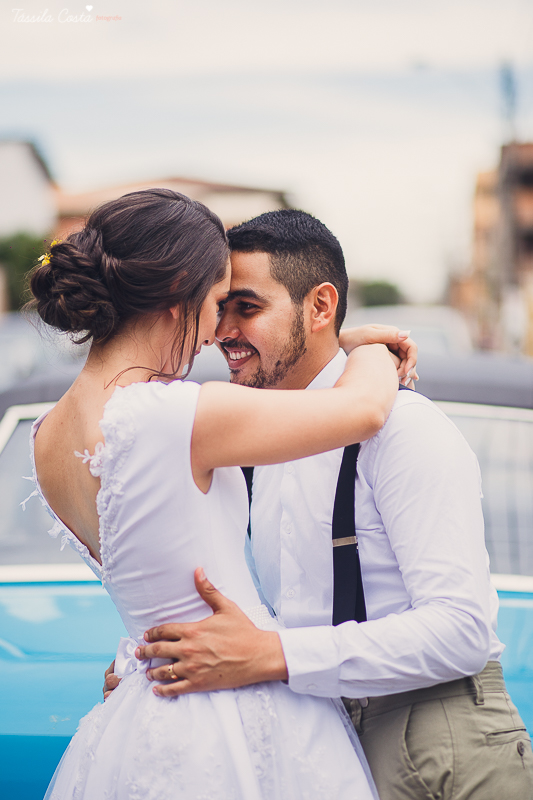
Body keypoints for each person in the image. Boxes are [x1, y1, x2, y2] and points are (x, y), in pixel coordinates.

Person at [124, 210, 533, 800]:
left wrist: (273, 653)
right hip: (323, 741)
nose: (221, 333)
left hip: (439, 740)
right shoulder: (258, 437)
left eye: (247, 307)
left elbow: (463, 629)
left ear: (320, 307)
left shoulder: (403, 430)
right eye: (220, 310)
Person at [27, 189, 412, 800]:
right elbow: (363, 408)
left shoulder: (46, 435)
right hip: (230, 703)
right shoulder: (173, 415)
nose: (216, 333)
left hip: (143, 703)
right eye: (213, 305)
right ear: (177, 295)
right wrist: (361, 347)